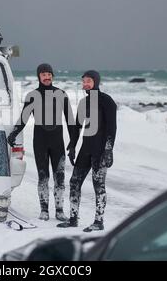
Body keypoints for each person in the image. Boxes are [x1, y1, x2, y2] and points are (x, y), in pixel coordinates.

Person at [7, 63, 75, 221]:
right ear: (39, 76)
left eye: (49, 74)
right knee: (43, 176)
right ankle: (44, 210)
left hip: (57, 141)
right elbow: (24, 117)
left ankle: (59, 210)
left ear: (52, 76)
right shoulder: (32, 95)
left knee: (60, 177)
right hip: (40, 142)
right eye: (43, 74)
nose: (47, 77)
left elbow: (70, 120)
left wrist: (73, 143)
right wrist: (14, 133)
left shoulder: (61, 94)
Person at [57, 70, 117, 232]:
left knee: (99, 186)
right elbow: (77, 126)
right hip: (86, 149)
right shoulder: (84, 102)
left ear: (96, 81)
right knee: (74, 182)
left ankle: (99, 222)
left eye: (88, 81)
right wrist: (72, 146)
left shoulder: (107, 101)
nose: (85, 84)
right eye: (83, 82)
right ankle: (73, 218)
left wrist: (108, 150)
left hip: (100, 151)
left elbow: (112, 128)